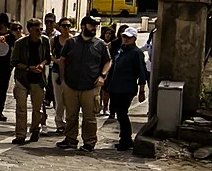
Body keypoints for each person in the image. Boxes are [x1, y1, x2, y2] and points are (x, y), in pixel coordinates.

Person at [58, 14, 112, 153]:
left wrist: (102, 75)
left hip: (91, 87)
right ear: (83, 26)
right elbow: (62, 60)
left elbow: (108, 61)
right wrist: (63, 79)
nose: (94, 28)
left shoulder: (100, 44)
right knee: (71, 115)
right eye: (91, 25)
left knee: (89, 117)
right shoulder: (71, 42)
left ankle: (89, 142)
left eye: (95, 26)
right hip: (71, 85)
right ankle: (70, 139)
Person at [105, 25, 149, 150]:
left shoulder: (136, 53)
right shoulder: (121, 50)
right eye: (124, 36)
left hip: (127, 88)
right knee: (119, 114)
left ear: (134, 39)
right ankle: (125, 138)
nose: (125, 39)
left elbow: (141, 72)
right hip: (115, 87)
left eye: (128, 37)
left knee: (122, 113)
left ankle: (126, 140)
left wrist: (142, 90)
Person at [11, 19, 49, 142]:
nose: (39, 32)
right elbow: (14, 62)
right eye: (37, 30)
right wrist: (29, 68)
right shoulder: (20, 43)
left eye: (41, 29)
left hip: (38, 79)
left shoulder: (45, 41)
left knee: (37, 108)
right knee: (21, 108)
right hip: (23, 78)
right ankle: (20, 135)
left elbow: (47, 57)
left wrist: (42, 65)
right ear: (30, 30)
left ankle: (35, 130)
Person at [50, 21, 72, 133]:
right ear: (60, 27)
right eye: (64, 26)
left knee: (70, 100)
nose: (66, 28)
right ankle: (59, 123)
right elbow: (49, 53)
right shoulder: (54, 40)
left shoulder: (73, 40)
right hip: (56, 71)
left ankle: (70, 123)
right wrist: (56, 60)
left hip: (70, 73)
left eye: (68, 26)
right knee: (59, 99)